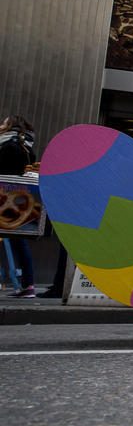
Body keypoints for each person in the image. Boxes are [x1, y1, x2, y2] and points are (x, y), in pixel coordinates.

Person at [0, 115, 37, 298]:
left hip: (5, 197)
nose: (1, 125)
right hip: (21, 199)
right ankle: (28, 284)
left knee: (15, 240)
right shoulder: (26, 146)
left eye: (4, 122)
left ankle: (26, 283)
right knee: (17, 240)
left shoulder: (9, 144)